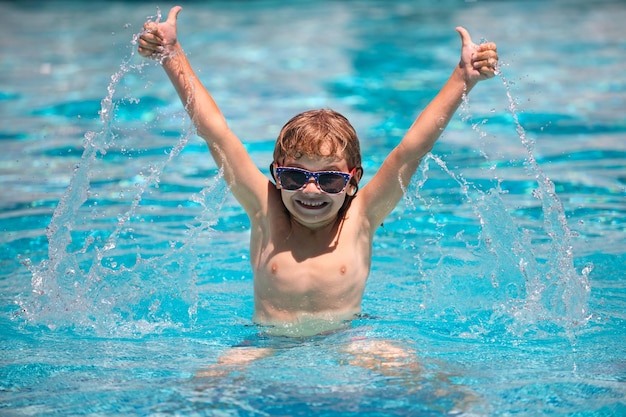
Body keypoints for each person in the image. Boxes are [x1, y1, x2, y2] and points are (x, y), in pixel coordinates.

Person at [138, 6, 498, 339]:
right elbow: (215, 131)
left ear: (353, 180)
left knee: (424, 378)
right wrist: (172, 55)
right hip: (267, 343)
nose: (311, 190)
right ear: (277, 175)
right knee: (203, 388)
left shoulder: (362, 216)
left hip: (348, 340)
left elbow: (411, 149)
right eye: (295, 177)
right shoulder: (266, 211)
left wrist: (462, 79)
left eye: (329, 179)